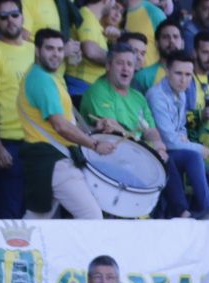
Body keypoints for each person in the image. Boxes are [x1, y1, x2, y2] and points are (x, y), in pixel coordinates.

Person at [81, 45, 191, 220]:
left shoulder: (138, 97)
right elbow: (112, 131)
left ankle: (180, 214)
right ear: (108, 66)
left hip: (136, 155)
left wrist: (159, 146)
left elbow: (151, 130)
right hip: (108, 157)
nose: (126, 68)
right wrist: (144, 145)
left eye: (130, 64)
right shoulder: (99, 91)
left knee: (167, 158)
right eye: (120, 63)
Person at [19, 27, 118, 219]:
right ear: (37, 51)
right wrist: (95, 144)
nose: (56, 54)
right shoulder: (42, 80)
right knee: (93, 217)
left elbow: (66, 120)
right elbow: (60, 126)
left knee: (37, 222)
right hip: (55, 161)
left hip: (50, 160)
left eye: (59, 49)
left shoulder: (49, 77)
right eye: (49, 48)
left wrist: (91, 131)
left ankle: (7, 247)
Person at [0, 0, 35, 218]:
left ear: (22, 17)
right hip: (8, 145)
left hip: (36, 143)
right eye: (3, 17)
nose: (10, 20)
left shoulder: (35, 51)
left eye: (14, 14)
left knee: (34, 214)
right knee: (9, 215)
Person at [147, 49, 209, 218]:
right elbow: (169, 140)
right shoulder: (157, 96)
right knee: (194, 155)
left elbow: (180, 128)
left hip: (174, 148)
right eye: (178, 73)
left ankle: (208, 208)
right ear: (167, 71)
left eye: (188, 74)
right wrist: (198, 148)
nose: (183, 79)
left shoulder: (182, 93)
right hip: (156, 150)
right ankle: (194, 210)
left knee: (194, 157)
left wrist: (183, 139)